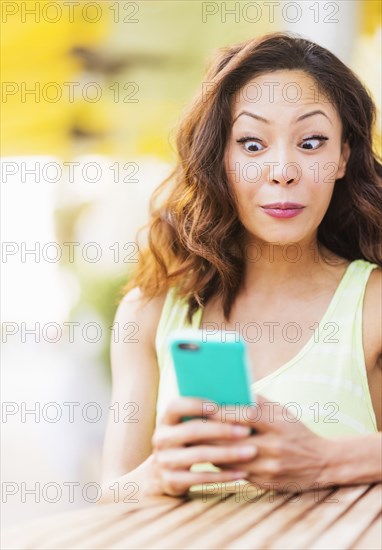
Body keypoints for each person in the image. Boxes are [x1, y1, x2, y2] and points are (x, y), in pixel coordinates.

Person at [99, 32, 382, 501]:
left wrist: (324, 461)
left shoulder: (372, 306)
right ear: (220, 159)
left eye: (311, 142)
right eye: (252, 145)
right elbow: (110, 498)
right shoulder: (148, 314)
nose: (283, 169)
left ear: (342, 157)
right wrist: (155, 478)